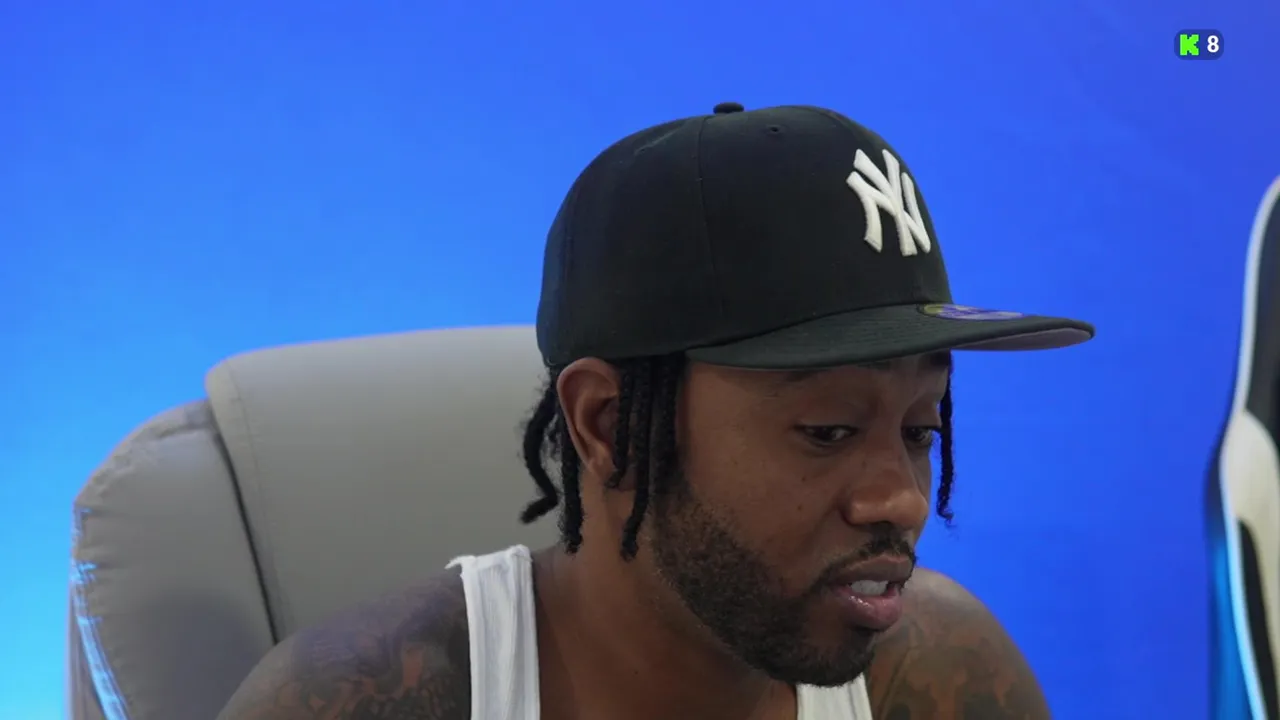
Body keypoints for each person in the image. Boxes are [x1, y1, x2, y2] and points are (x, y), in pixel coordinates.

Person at [217, 102, 1095, 720]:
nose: (900, 499)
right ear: (605, 425)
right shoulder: (365, 700)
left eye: (920, 430)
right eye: (828, 431)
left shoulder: (941, 678)